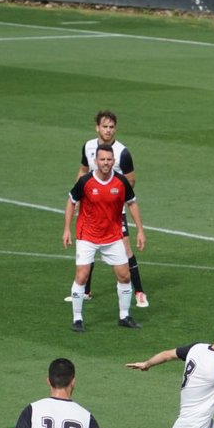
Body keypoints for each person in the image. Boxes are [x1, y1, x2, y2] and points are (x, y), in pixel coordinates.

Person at [62, 143, 147, 332]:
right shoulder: (85, 182)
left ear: (113, 161)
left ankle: (124, 316)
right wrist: (67, 229)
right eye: (102, 159)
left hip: (113, 236)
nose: (106, 163)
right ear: (96, 161)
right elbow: (71, 201)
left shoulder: (120, 182)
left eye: (109, 159)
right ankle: (77, 318)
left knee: (124, 276)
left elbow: (132, 203)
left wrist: (140, 230)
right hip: (87, 235)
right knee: (82, 275)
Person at [70, 109, 150, 306]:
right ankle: (86, 291)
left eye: (111, 127)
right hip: (91, 209)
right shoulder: (88, 146)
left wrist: (112, 197)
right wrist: (83, 195)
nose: (108, 130)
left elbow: (131, 180)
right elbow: (83, 171)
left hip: (115, 211)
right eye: (104, 126)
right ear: (97, 128)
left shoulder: (122, 152)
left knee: (125, 249)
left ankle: (139, 292)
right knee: (89, 246)